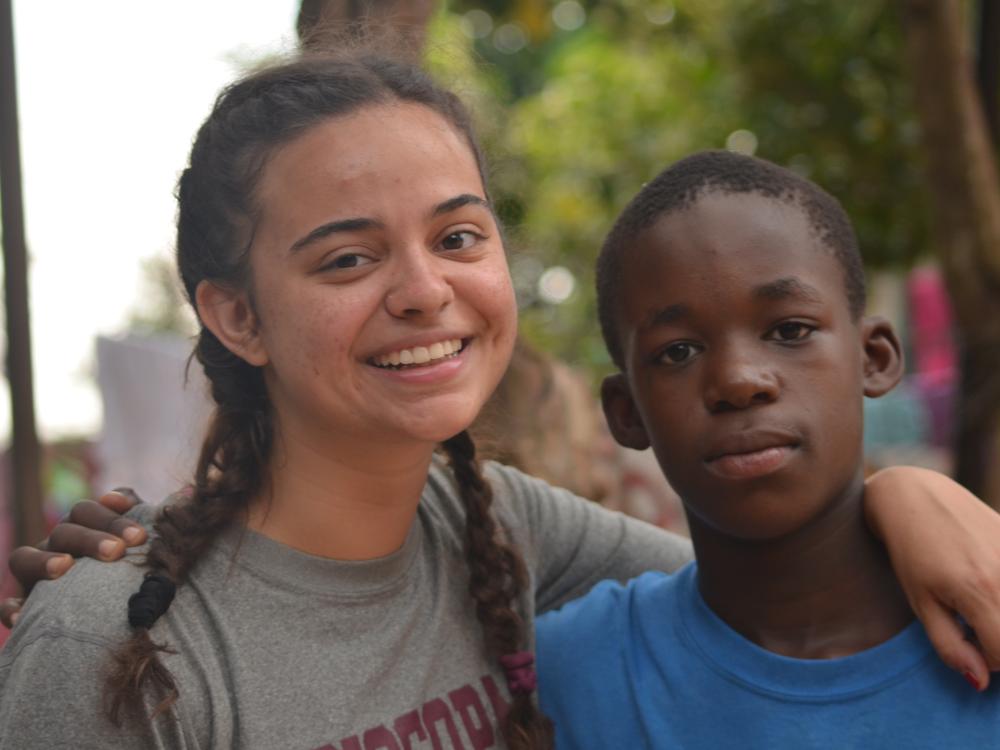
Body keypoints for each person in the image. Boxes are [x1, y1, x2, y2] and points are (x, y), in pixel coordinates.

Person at [3, 51, 1000, 750]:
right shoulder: (112, 639)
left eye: (458, 237)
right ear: (235, 316)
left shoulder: (507, 530)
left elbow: (779, 562)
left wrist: (910, 498)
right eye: (348, 257)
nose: (423, 291)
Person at [535, 150, 1000, 748]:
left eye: (790, 331)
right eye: (678, 351)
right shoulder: (572, 673)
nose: (738, 380)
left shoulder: (988, 621)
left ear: (874, 358)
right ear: (627, 414)